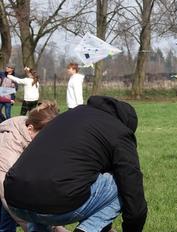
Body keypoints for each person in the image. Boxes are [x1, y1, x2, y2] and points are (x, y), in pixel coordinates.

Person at [4, 96, 148, 232]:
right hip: (55, 200)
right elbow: (132, 190)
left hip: (15, 198)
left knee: (45, 187)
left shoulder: (67, 116)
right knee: (121, 183)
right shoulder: (119, 131)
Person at [0, 101, 60, 232]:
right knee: (6, 212)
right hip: (3, 184)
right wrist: (30, 227)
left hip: (11, 182)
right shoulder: (8, 146)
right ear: (30, 128)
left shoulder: (36, 135)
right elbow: (6, 193)